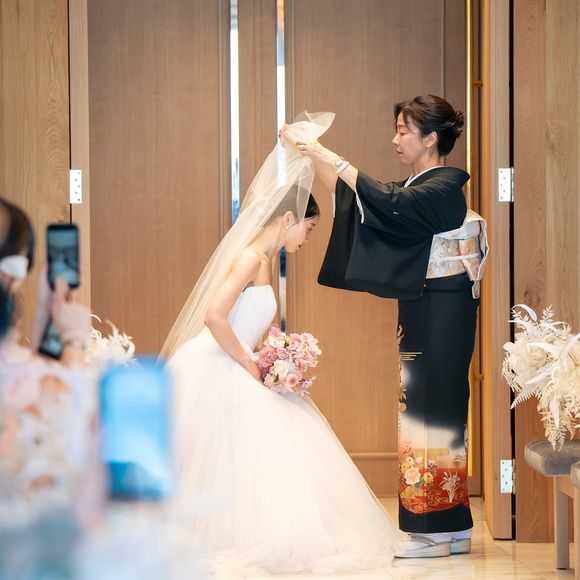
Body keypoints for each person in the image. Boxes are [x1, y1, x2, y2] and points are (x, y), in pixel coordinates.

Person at [161, 113, 403, 576]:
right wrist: (251, 364)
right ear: (288, 219)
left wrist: (273, 355)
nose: (308, 238)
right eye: (308, 229)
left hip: (237, 361)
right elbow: (214, 316)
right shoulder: (250, 257)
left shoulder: (265, 261)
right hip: (219, 365)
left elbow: (243, 320)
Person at [281, 95, 488, 559]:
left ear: (430, 139)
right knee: (435, 409)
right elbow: (360, 198)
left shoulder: (444, 186)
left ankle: (433, 530)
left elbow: (388, 202)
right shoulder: (421, 185)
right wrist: (310, 153)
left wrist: (325, 152)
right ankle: (451, 523)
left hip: (441, 310)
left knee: (429, 411)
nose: (395, 139)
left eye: (403, 131)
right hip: (429, 309)